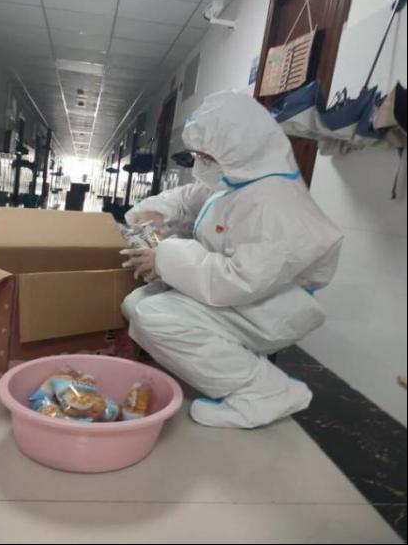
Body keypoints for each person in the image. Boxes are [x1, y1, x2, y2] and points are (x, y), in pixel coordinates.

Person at [121, 91, 343, 429]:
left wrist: (162, 257)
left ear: (239, 148)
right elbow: (190, 197)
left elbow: (240, 279)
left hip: (271, 307)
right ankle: (230, 367)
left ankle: (264, 391)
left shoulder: (276, 204)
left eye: (205, 156)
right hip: (243, 296)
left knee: (154, 316)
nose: (200, 164)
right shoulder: (241, 178)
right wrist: (156, 214)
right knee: (137, 304)